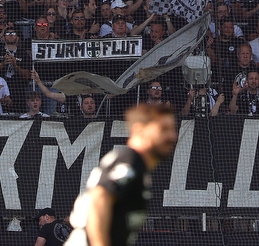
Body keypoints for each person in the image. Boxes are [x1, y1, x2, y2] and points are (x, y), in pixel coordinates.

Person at [67, 104, 178, 246]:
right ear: (139, 130)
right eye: (164, 129)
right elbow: (99, 197)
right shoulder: (130, 160)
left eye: (173, 129)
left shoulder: (137, 166)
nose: (172, 136)